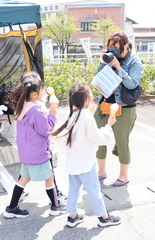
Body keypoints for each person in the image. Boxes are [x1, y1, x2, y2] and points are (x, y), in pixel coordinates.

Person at [51, 82, 121, 227]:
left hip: (72, 161)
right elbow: (98, 138)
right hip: (86, 162)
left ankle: (72, 216)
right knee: (94, 189)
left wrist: (90, 111)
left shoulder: (72, 114)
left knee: (73, 190)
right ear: (86, 100)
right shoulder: (87, 117)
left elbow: (81, 129)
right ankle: (103, 217)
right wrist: (109, 125)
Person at [3, 74, 66, 218]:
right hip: (38, 151)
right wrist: (53, 113)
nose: (44, 93)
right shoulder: (36, 111)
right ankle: (55, 206)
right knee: (49, 177)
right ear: (34, 94)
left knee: (24, 178)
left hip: (26, 152)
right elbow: (47, 130)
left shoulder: (21, 106)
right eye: (42, 90)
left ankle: (11, 207)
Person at [94, 32, 143, 186]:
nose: (115, 52)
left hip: (125, 107)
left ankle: (123, 175)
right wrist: (104, 62)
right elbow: (98, 79)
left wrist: (117, 67)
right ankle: (101, 172)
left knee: (122, 142)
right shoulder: (107, 58)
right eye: (111, 48)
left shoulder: (134, 62)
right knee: (98, 139)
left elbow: (132, 84)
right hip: (104, 105)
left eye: (118, 49)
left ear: (127, 46)